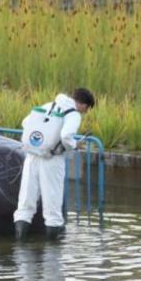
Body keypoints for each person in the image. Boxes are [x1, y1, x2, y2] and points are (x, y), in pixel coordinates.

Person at [14, 87, 95, 240]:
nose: (85, 112)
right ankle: (52, 255)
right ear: (84, 105)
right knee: (53, 207)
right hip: (52, 160)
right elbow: (66, 136)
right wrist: (74, 145)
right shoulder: (73, 114)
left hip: (32, 156)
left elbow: (25, 123)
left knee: (25, 203)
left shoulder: (48, 105)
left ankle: (20, 247)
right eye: (87, 109)